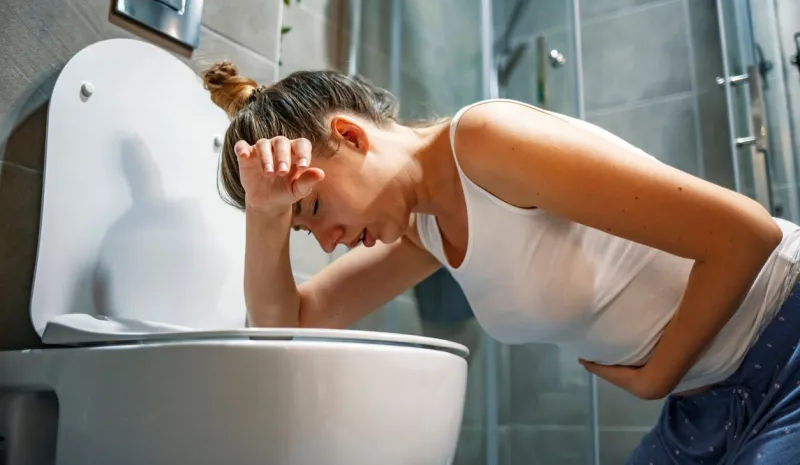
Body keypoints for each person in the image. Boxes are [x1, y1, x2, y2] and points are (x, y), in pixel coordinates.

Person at [200, 61, 800, 463]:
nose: (327, 241)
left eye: (316, 207)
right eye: (305, 226)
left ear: (352, 137)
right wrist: (267, 213)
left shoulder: (486, 142)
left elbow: (744, 234)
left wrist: (656, 376)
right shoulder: (423, 229)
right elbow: (290, 327)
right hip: (709, 399)